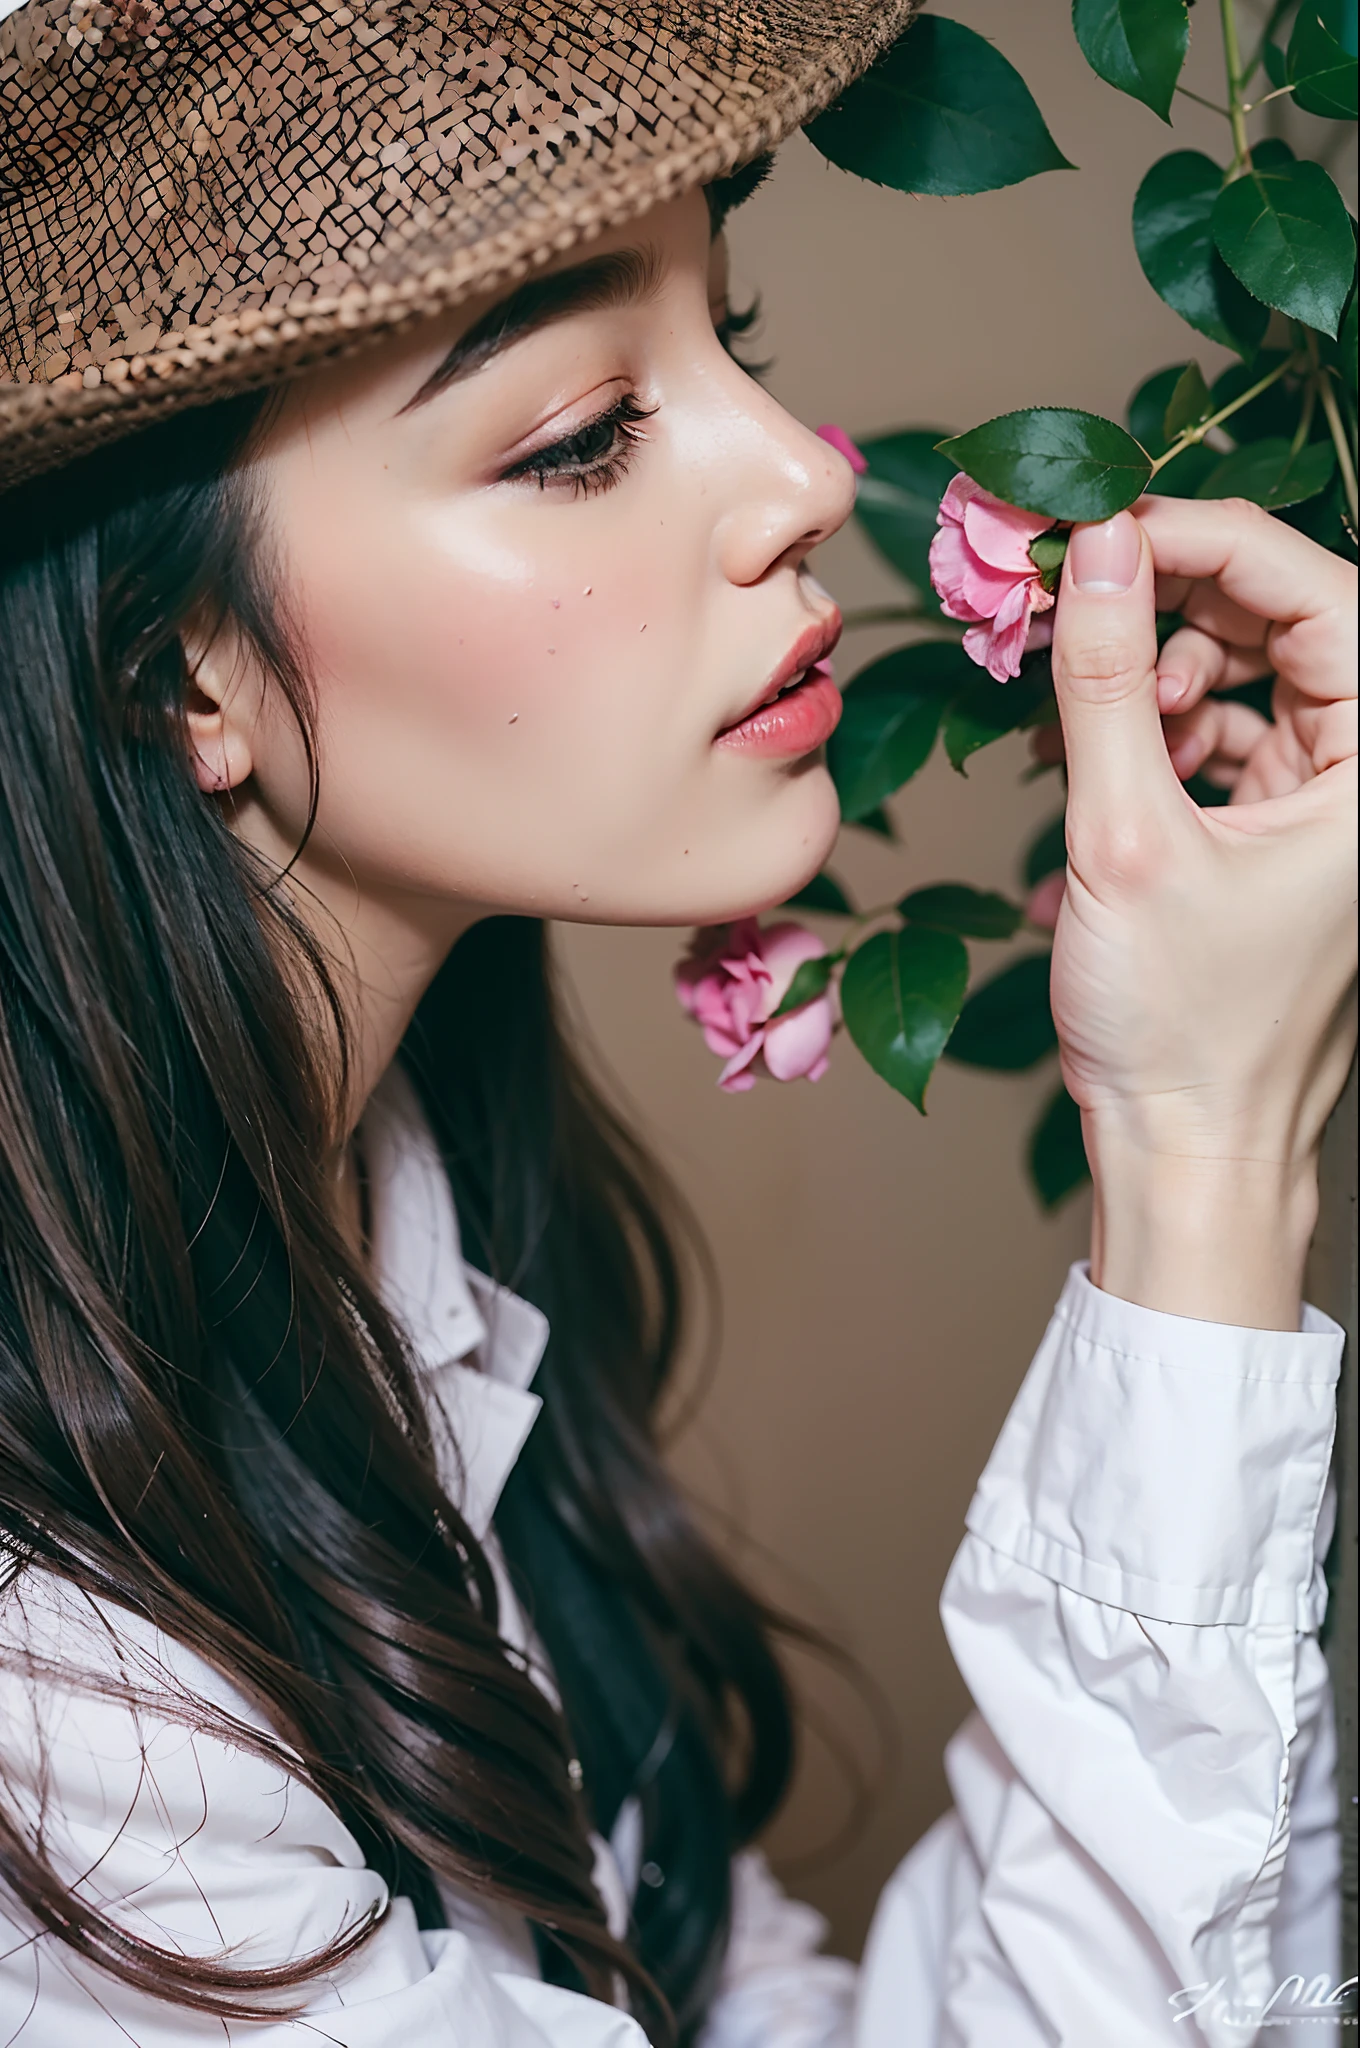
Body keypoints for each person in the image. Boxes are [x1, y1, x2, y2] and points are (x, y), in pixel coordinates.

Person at [0, 3, 1354, 2042]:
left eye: (737, 341)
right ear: (171, 668)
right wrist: (1197, 1152)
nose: (803, 479)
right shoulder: (59, 1703)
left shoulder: (402, 1249)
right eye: (576, 436)